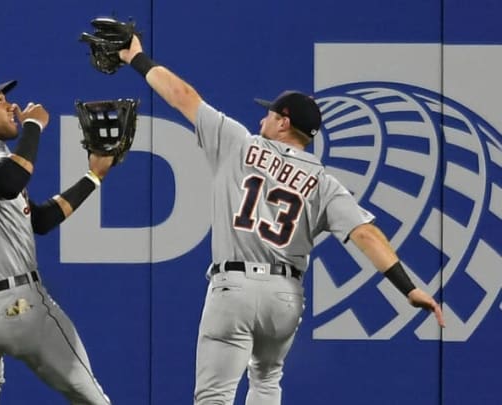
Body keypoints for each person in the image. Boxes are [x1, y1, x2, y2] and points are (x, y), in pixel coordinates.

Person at [115, 37, 445, 404]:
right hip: (285, 297)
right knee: (267, 381)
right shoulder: (324, 182)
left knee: (214, 397)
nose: (262, 119)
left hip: (234, 287)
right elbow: (366, 234)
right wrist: (409, 288)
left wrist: (137, 57)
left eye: (269, 114)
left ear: (284, 122)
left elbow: (182, 94)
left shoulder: (240, 142)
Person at [0, 75, 112, 405]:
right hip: (14, 304)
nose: (13, 108)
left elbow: (41, 220)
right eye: (0, 102)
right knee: (92, 399)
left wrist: (93, 177)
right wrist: (34, 125)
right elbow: (10, 180)